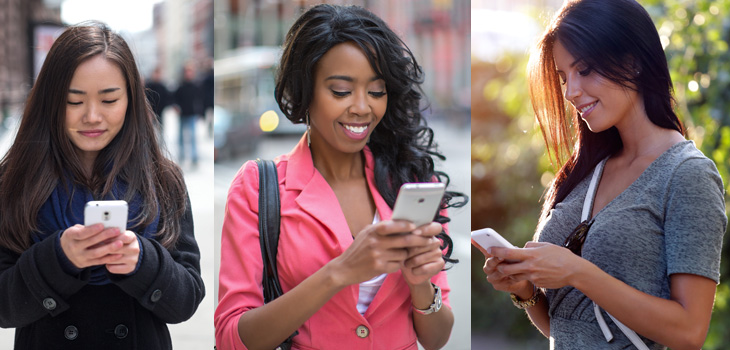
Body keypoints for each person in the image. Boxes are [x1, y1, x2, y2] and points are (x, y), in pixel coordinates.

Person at [473, 0, 726, 349]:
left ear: (633, 62)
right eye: (564, 77)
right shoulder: (588, 171)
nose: (570, 91)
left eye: (585, 70)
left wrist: (577, 271)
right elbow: (567, 326)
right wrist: (525, 290)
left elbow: (689, 331)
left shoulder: (688, 175)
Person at [215, 4, 467, 350]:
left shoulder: (412, 181)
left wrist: (421, 284)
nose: (363, 107)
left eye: (376, 91)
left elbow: (437, 338)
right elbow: (231, 338)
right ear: (305, 92)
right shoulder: (257, 187)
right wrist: (339, 272)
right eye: (341, 91)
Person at [0, 23, 204, 349]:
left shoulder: (163, 179)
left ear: (131, 100)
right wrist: (58, 259)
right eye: (74, 101)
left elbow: (186, 301)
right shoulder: (15, 179)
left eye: (109, 100)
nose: (92, 116)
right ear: (50, 101)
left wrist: (143, 262)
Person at [174, 62, 202, 166]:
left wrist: (199, 112)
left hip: (192, 114)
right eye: (187, 72)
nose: (189, 74)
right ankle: (181, 155)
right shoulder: (180, 85)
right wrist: (176, 107)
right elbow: (174, 98)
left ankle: (194, 157)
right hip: (182, 114)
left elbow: (199, 100)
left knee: (193, 136)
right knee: (181, 136)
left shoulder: (195, 85)